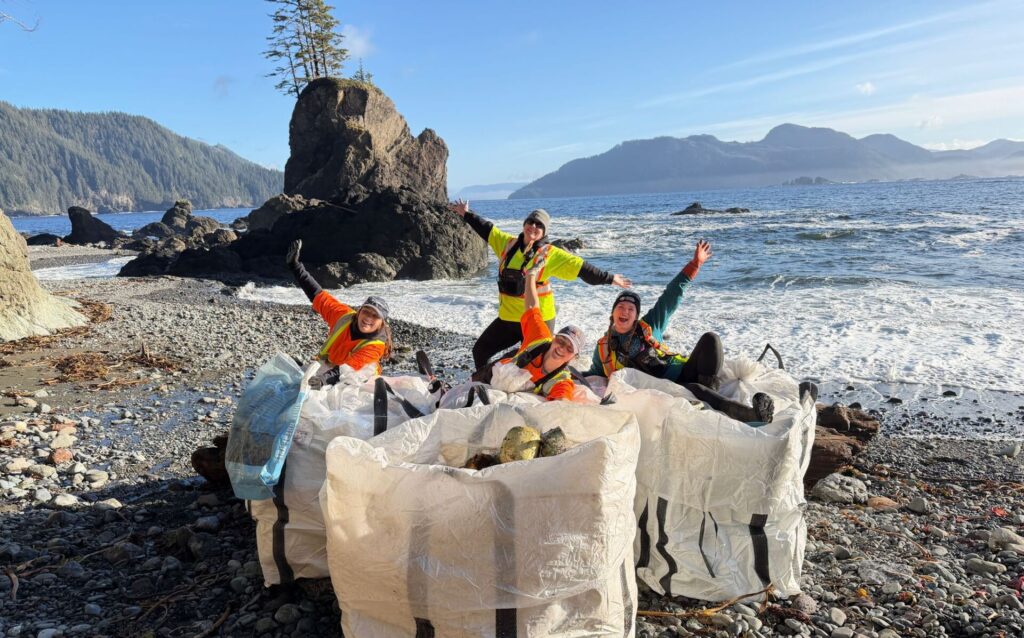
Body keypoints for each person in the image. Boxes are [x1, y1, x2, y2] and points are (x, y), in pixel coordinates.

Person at [587, 240, 775, 423]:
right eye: (621, 306)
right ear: (613, 312)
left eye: (631, 309)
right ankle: (751, 415)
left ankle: (709, 394)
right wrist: (563, 370)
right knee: (695, 389)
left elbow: (671, 295)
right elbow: (593, 376)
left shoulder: (649, 325)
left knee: (711, 340)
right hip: (660, 390)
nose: (625, 311)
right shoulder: (603, 347)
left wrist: (695, 264)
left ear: (636, 315)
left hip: (682, 371)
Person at [449, 199, 631, 369]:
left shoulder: (550, 254)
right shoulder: (508, 244)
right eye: (531, 222)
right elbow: (487, 230)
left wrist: (609, 278)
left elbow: (582, 268)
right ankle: (484, 386)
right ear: (524, 224)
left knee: (533, 366)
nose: (533, 227)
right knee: (480, 351)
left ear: (544, 232)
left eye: (539, 225)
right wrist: (466, 214)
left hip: (538, 319)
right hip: (510, 318)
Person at [285, 240, 392, 377]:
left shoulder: (375, 345)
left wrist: (322, 380)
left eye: (375, 316)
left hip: (357, 380)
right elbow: (317, 295)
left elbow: (347, 370)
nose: (368, 318)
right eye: (366, 311)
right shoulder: (344, 317)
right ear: (359, 311)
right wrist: (295, 266)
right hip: (328, 370)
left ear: (382, 322)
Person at [486, 256, 585, 401]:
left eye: (570, 349)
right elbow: (532, 306)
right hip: (492, 384)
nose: (562, 348)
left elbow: (562, 402)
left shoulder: (561, 380)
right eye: (561, 341)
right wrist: (531, 275)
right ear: (554, 338)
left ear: (574, 357)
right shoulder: (539, 339)